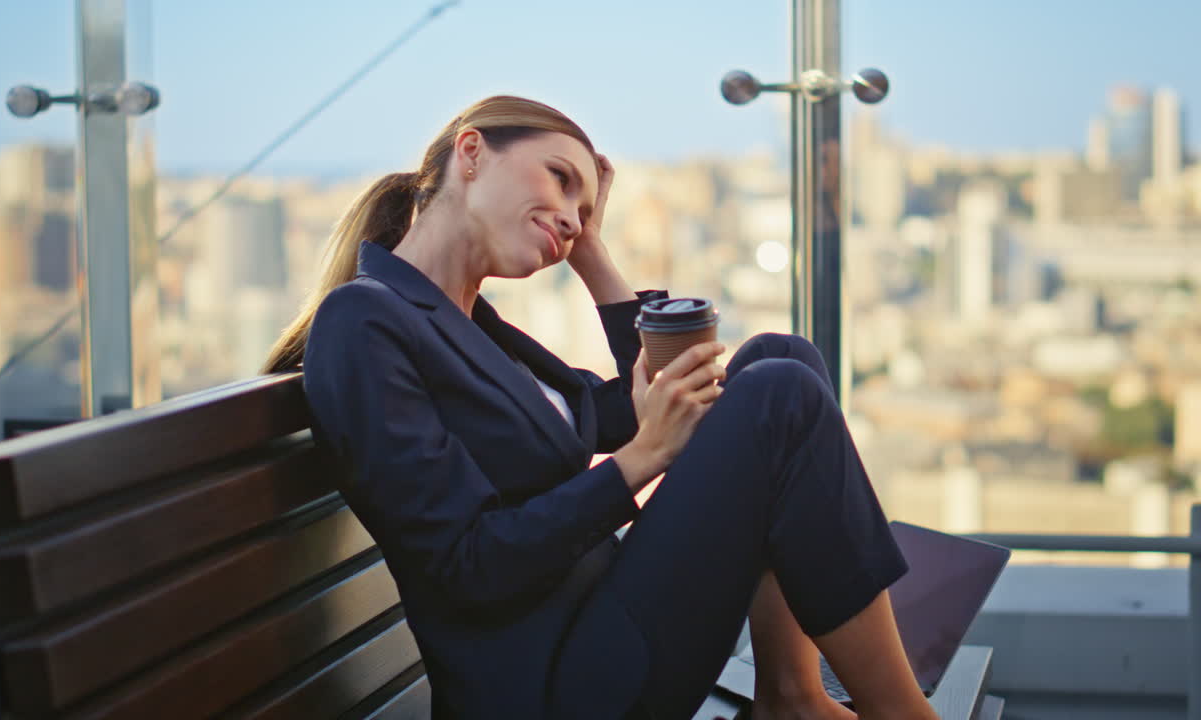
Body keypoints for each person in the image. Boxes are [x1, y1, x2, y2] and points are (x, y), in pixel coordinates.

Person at [264, 95, 938, 720]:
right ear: (469, 153)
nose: (570, 215)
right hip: (555, 684)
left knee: (779, 360)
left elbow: (641, 396)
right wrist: (641, 460)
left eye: (583, 207)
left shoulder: (474, 327)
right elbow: (463, 567)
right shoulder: (364, 321)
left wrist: (591, 253)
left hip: (604, 625)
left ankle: (792, 694)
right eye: (559, 179)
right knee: (778, 399)